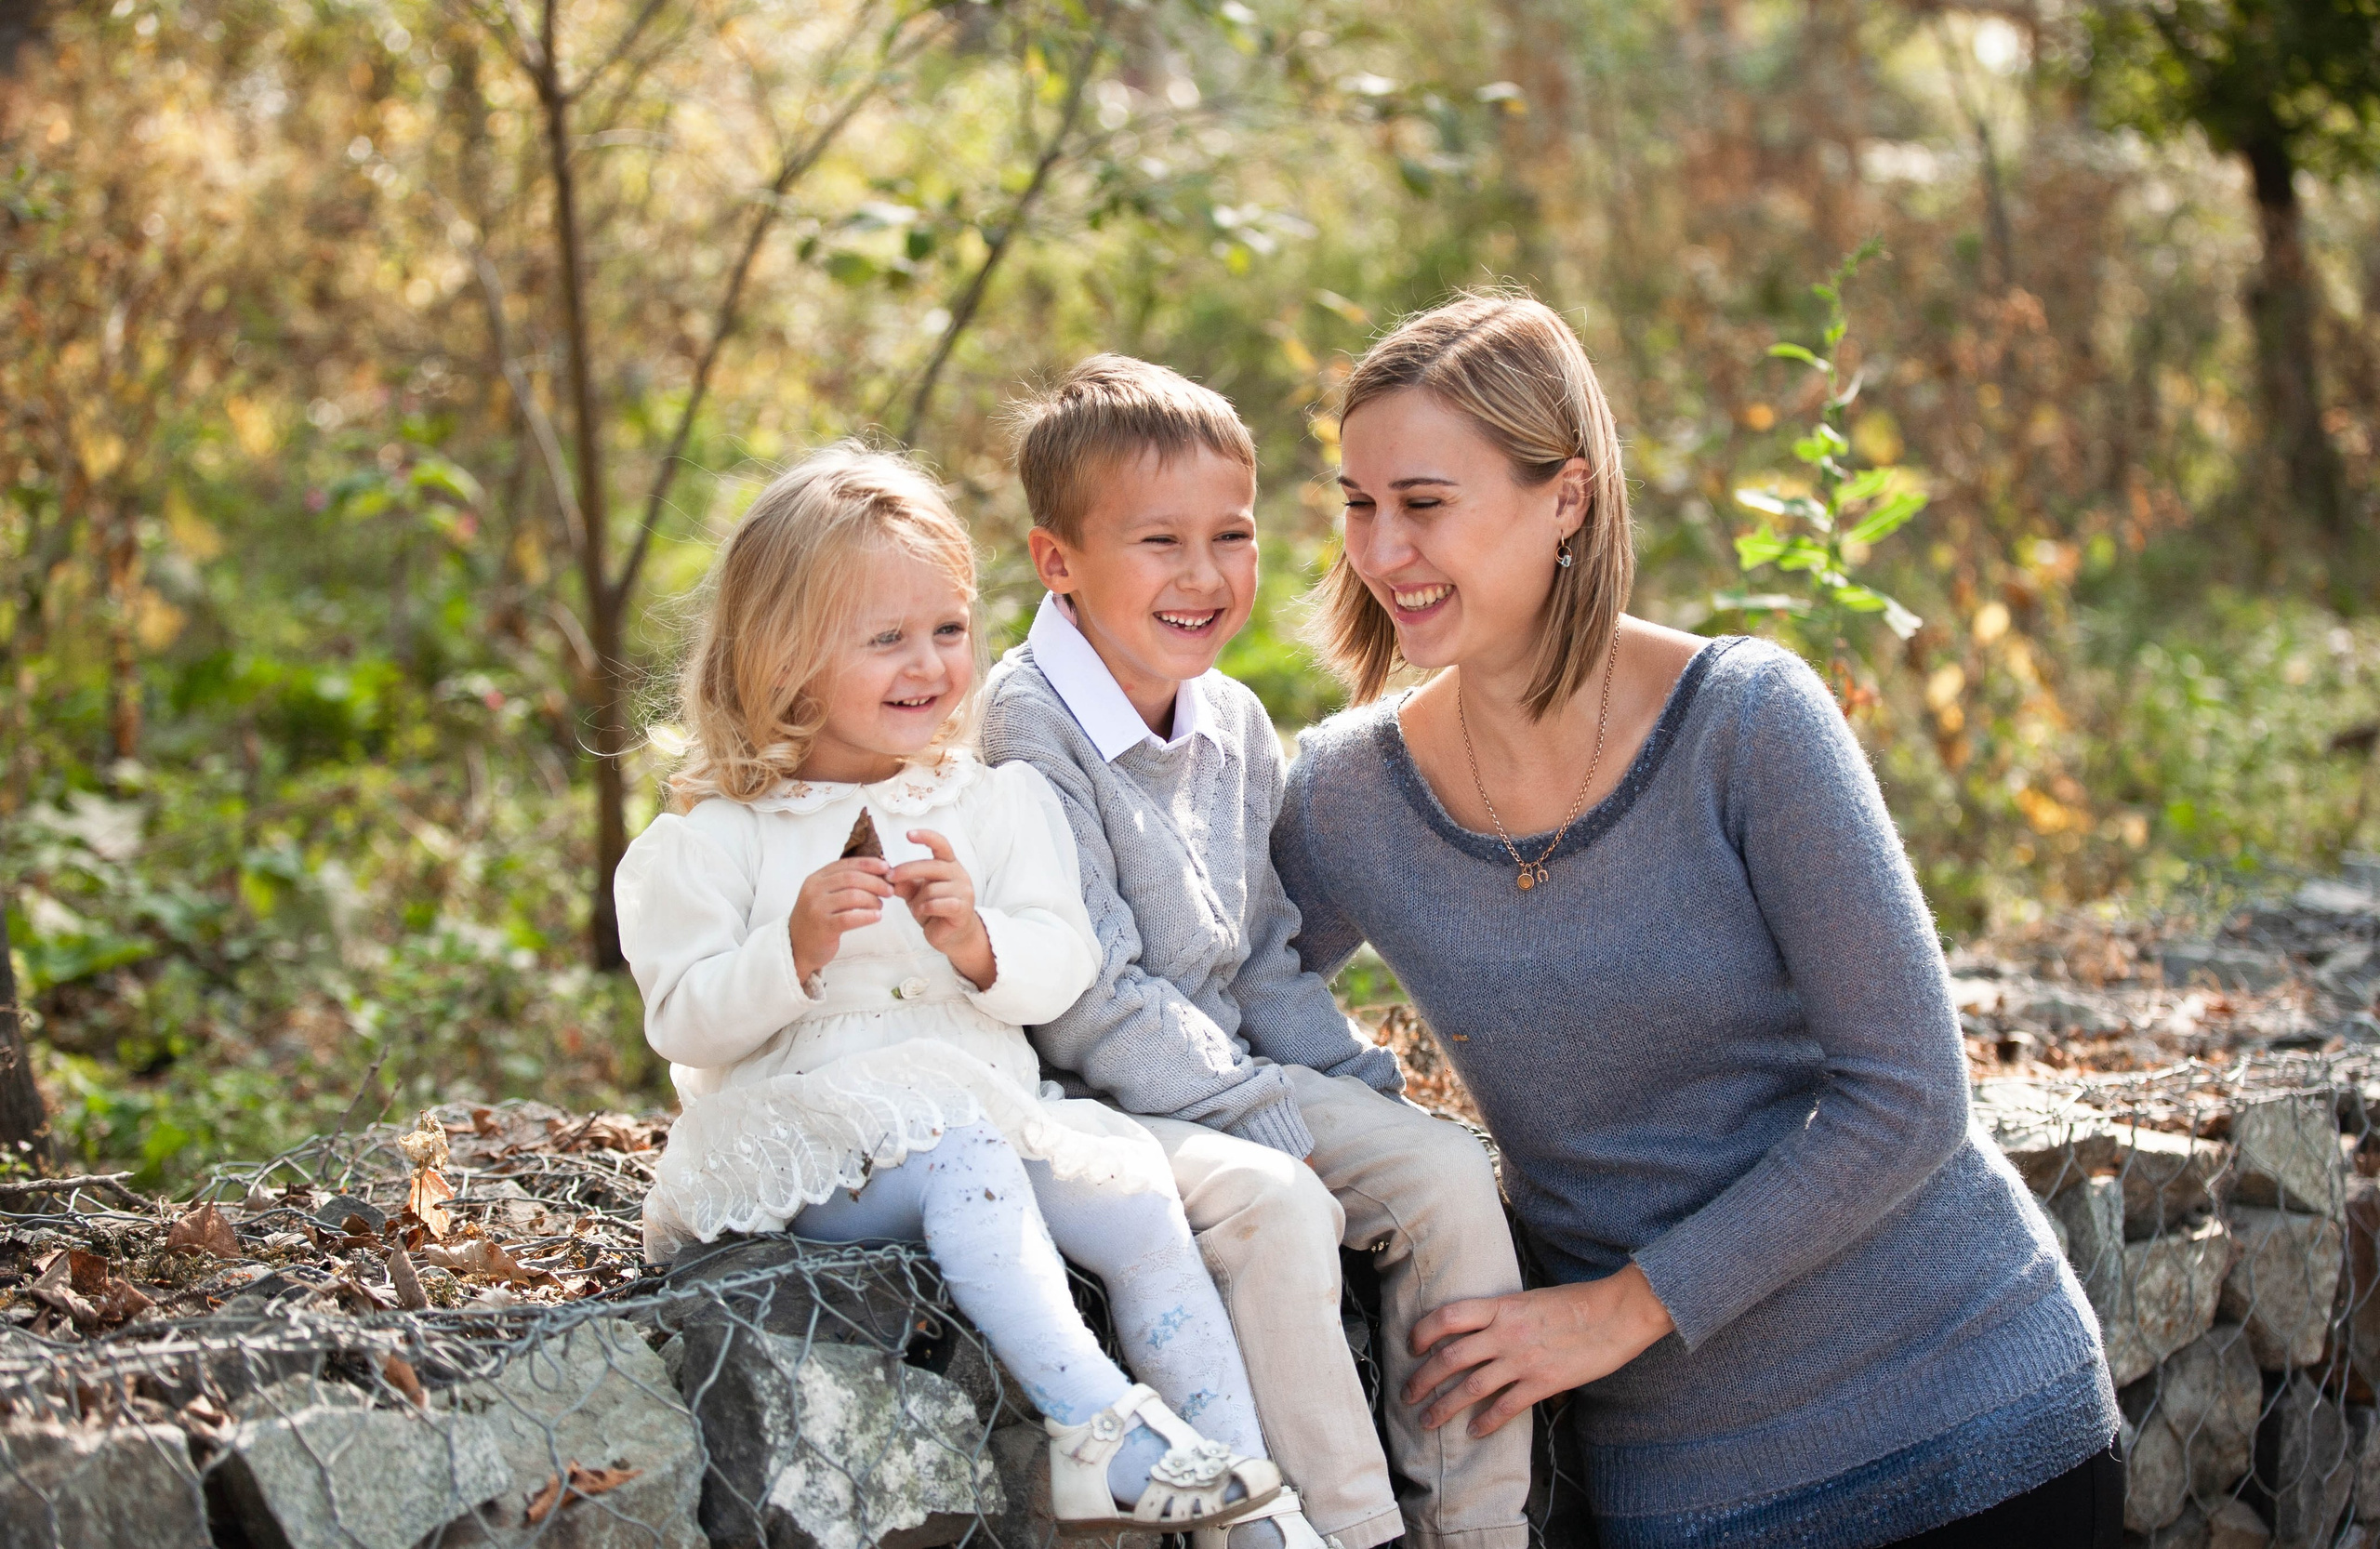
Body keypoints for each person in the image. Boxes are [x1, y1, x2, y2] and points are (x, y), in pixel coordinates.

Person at [1273, 293, 2122, 1549]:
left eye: (1425, 502)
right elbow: (1214, 976)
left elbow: (1910, 1096)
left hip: (1972, 1416)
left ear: (1566, 497)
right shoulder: (1351, 794)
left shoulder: (1746, 721)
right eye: (1358, 503)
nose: (1382, 548)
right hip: (1688, 1485)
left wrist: (1619, 1308)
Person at [618, 444, 1286, 1534]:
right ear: (783, 656)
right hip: (808, 1149)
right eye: (885, 638)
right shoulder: (719, 837)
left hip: (985, 1108)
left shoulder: (994, 803)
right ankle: (1095, 1428)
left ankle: (1244, 1498)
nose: (927, 664)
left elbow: (1060, 964)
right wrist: (788, 953)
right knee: (962, 1158)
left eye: (948, 629)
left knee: (1134, 1204)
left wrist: (978, 942)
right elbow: (680, 1019)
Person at [982, 355, 1532, 1549]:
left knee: (1440, 1173)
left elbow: (1268, 954)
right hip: (1092, 1099)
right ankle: (1353, 1530)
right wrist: (1250, 1103)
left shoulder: (1227, 717)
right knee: (1282, 1203)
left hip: (1225, 1077)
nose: (1203, 576)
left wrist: (1345, 1082)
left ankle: (1479, 1524)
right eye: (1158, 543)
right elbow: (1090, 998)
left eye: (1229, 536)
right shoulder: (1027, 726)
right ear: (1057, 562)